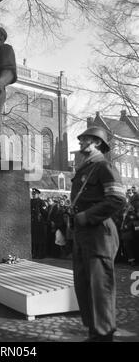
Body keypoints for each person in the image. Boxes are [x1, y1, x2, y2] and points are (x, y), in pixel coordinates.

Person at [71, 126, 126, 342]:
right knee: (84, 286)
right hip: (83, 234)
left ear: (97, 143)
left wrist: (87, 216)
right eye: (83, 138)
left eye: (86, 139)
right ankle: (95, 332)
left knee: (99, 287)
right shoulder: (85, 169)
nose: (81, 141)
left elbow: (117, 199)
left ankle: (104, 335)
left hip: (99, 233)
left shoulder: (104, 166)